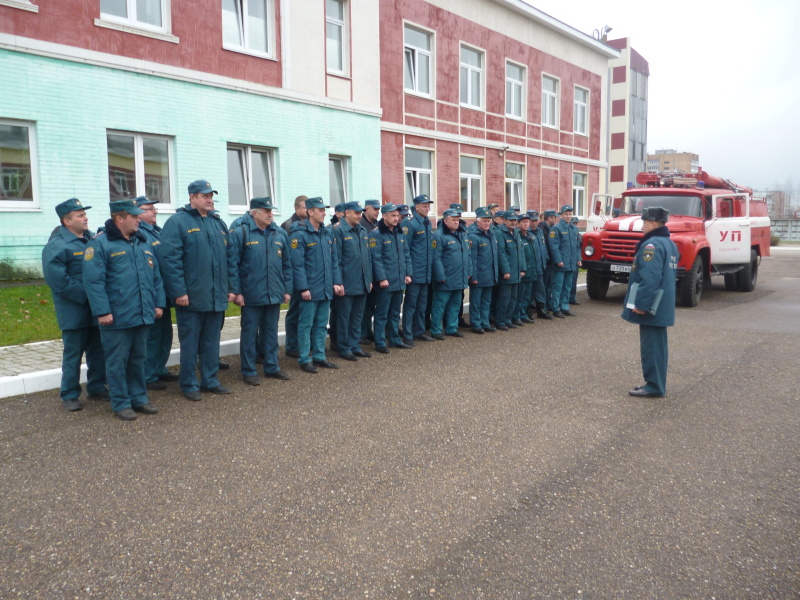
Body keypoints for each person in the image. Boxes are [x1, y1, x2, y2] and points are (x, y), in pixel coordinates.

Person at [82, 199, 165, 420]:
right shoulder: (99, 244)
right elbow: (93, 282)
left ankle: (139, 398)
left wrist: (158, 303)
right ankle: (120, 402)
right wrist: (102, 311)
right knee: (117, 361)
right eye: (134, 216)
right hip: (116, 316)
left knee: (139, 359)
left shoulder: (142, 241)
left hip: (142, 312)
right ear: (120, 218)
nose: (139, 219)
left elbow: (155, 276)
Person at [160, 180, 235, 401]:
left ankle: (210, 380)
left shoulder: (217, 223)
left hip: (215, 296)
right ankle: (189, 383)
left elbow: (228, 259)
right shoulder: (177, 222)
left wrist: (230, 288)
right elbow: (170, 261)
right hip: (191, 298)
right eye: (204, 196)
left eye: (211, 195)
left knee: (212, 341)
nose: (210, 199)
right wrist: (179, 292)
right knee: (190, 344)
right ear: (192, 197)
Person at [42, 198, 108, 412]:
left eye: (84, 214)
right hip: (74, 310)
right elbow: (59, 281)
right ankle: (69, 394)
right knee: (73, 354)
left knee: (98, 351)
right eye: (80, 215)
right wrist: (89, 296)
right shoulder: (57, 245)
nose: (85, 217)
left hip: (95, 308)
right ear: (67, 221)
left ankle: (97, 388)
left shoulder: (90, 239)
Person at [229, 197, 293, 385]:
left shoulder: (279, 234)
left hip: (274, 293)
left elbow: (287, 265)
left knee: (271, 333)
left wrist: (286, 289)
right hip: (251, 294)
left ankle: (272, 367)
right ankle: (249, 370)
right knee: (249, 335)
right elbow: (233, 265)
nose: (270, 214)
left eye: (271, 211)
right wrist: (237, 291)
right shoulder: (241, 232)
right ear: (254, 213)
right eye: (266, 211)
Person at [622, 206, 678, 398]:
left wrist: (642, 305)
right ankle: (656, 383)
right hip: (662, 305)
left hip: (653, 306)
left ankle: (653, 386)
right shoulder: (669, 243)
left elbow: (650, 278)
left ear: (653, 223)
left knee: (651, 348)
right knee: (658, 347)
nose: (642, 226)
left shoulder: (651, 245)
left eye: (644, 222)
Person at [289, 197, 344, 373]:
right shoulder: (299, 234)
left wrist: (337, 282)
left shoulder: (327, 233)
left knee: (321, 324)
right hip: (310, 289)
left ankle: (319, 356)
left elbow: (334, 261)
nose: (324, 213)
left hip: (326, 287)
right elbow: (297, 265)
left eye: (324, 210)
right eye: (320, 210)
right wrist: (303, 288)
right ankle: (305, 358)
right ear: (310, 212)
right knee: (306, 324)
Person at [134, 196, 178, 391]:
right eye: (148, 209)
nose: (154, 211)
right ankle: (148, 374)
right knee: (152, 336)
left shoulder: (157, 232)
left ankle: (159, 368)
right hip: (151, 293)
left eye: (154, 208)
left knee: (165, 333)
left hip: (164, 292)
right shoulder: (139, 234)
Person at [368, 203, 412, 353]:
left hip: (399, 279)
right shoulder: (376, 234)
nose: (396, 218)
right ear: (384, 216)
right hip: (386, 282)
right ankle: (380, 342)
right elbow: (376, 258)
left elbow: (406, 255)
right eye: (392, 215)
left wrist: (407, 274)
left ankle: (394, 339)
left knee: (394, 312)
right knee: (381, 313)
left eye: (397, 216)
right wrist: (381, 278)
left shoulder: (400, 233)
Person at [332, 201, 373, 361]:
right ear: (347, 213)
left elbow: (367, 258)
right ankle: (344, 347)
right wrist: (338, 282)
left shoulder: (362, 231)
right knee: (344, 317)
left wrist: (368, 279)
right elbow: (336, 259)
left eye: (360, 213)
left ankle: (355, 345)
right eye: (356, 213)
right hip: (346, 283)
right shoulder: (339, 231)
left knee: (357, 316)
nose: (359, 216)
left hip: (361, 281)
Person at [430, 208, 471, 339]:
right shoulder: (438, 235)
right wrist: (440, 276)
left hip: (459, 277)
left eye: (457, 220)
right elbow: (436, 258)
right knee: (439, 306)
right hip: (446, 278)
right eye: (453, 220)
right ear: (445, 220)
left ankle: (452, 328)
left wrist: (468, 272)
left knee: (455, 306)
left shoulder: (462, 234)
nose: (456, 222)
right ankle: (436, 330)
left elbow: (467, 255)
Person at [402, 194, 434, 343]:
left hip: (425, 271)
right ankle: (408, 334)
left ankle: (419, 331)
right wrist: (408, 272)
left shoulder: (427, 222)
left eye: (428, 205)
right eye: (424, 205)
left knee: (422, 305)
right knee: (411, 305)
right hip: (415, 272)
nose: (427, 208)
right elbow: (405, 249)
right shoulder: (410, 223)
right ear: (416, 207)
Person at [282, 195, 309, 358]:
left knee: (306, 314)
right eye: (305, 207)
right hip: (294, 275)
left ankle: (305, 343)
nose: (307, 210)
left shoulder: (309, 225)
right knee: (294, 312)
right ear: (296, 208)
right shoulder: (288, 226)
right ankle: (292, 345)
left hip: (308, 275)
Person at [467, 207, 500, 333]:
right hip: (479, 275)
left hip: (490, 274)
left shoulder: (491, 234)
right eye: (484, 221)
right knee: (476, 302)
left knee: (486, 301)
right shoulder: (473, 236)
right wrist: (473, 276)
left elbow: (494, 256)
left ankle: (485, 322)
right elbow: (472, 258)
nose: (487, 223)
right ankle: (476, 324)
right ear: (478, 221)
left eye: (489, 221)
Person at [548, 205, 581, 318]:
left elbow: (577, 247)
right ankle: (556, 308)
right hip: (561, 264)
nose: (568, 216)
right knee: (558, 286)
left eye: (570, 214)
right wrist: (558, 260)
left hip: (571, 263)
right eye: (566, 214)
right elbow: (554, 246)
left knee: (568, 286)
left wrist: (578, 259)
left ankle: (565, 307)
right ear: (561, 215)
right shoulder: (556, 228)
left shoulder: (574, 229)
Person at [495, 211, 524, 330]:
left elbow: (520, 252)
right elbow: (501, 253)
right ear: (505, 220)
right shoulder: (500, 233)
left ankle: (508, 319)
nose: (513, 222)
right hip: (507, 273)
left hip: (516, 271)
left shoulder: (516, 232)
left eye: (514, 220)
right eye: (510, 220)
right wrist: (505, 271)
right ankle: (500, 321)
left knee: (513, 298)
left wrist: (522, 268)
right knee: (504, 298)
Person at [359, 199, 382, 343]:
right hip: (365, 272)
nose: (377, 212)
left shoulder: (375, 224)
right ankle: (362, 333)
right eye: (374, 209)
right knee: (364, 306)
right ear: (366, 209)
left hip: (374, 272)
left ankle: (367, 330)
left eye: (378, 209)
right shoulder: (362, 225)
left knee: (371, 305)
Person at [527, 210, 549, 321]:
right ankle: (528, 312)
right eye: (532, 221)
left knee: (540, 290)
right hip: (530, 268)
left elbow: (543, 248)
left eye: (536, 221)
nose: (534, 223)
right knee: (528, 292)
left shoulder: (540, 232)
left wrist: (546, 258)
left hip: (540, 266)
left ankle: (541, 310)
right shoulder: (526, 233)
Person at [515, 213, 536, 324]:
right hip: (522, 271)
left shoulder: (529, 236)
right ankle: (517, 315)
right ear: (518, 224)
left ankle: (523, 314)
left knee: (527, 295)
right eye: (523, 222)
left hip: (531, 270)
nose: (526, 224)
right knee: (520, 295)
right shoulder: (517, 236)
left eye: (527, 222)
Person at [537, 209, 558, 317]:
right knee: (544, 285)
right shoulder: (543, 229)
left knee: (549, 284)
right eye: (555, 217)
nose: (556, 219)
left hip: (550, 261)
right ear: (549, 218)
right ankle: (543, 307)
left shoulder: (549, 229)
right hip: (546, 262)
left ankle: (548, 304)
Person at [569, 215, 582, 305]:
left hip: (575, 259)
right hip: (568, 259)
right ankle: (567, 299)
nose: (575, 225)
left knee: (574, 280)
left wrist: (579, 259)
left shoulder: (578, 234)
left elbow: (579, 247)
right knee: (567, 281)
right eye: (573, 223)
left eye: (576, 223)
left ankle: (572, 297)